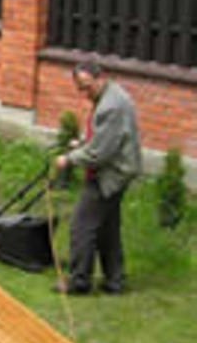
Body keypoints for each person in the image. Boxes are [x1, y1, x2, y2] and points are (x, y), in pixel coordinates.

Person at [54, 60, 142, 295]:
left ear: (99, 77)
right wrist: (83, 141)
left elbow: (99, 153)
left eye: (87, 86)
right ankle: (115, 281)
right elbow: (104, 135)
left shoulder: (111, 107)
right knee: (107, 228)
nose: (85, 93)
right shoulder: (109, 95)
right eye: (80, 89)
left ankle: (79, 282)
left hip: (110, 175)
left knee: (81, 226)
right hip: (119, 170)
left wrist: (69, 159)